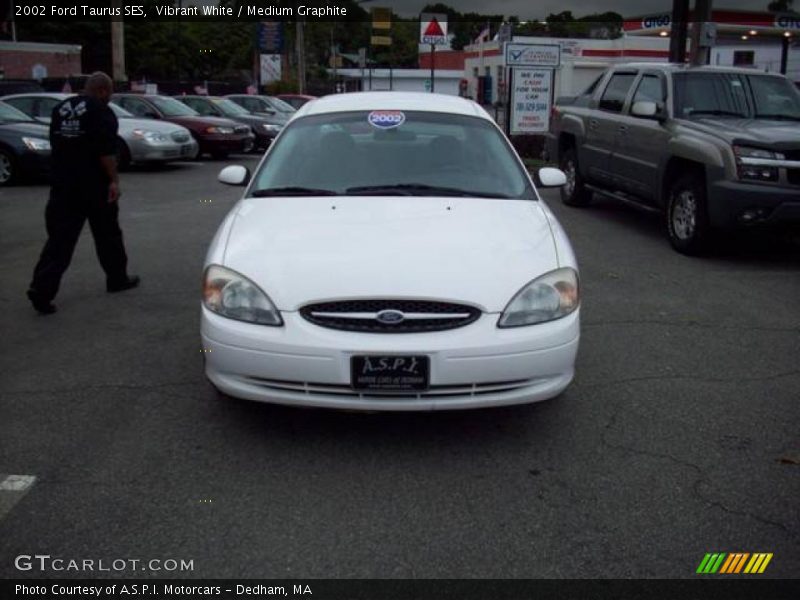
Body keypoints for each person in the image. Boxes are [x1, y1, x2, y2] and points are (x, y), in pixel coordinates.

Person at [27, 72, 139, 315]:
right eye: (109, 93)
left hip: (63, 185)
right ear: (102, 91)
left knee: (59, 241)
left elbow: (57, 145)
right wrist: (114, 181)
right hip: (94, 186)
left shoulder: (61, 109)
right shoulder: (101, 111)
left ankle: (41, 290)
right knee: (108, 235)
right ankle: (117, 278)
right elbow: (106, 152)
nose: (109, 98)